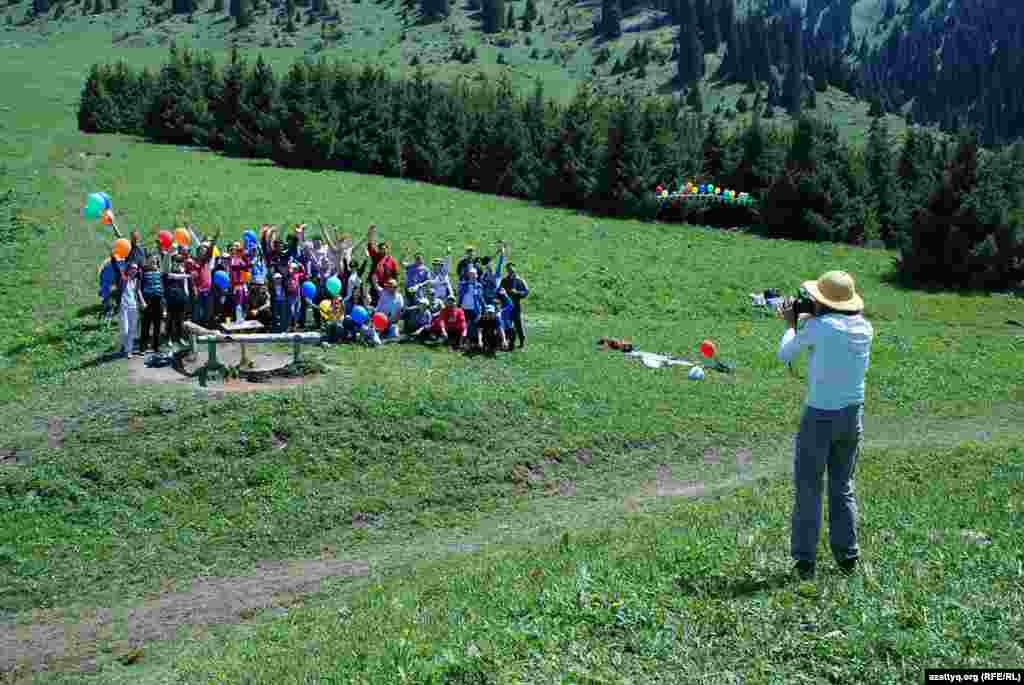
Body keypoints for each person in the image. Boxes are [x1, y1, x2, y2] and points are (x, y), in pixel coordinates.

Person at [777, 271, 874, 580]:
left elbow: (784, 353)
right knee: (842, 486)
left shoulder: (818, 327)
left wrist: (791, 324)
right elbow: (834, 328)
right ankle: (847, 556)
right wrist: (810, 317)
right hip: (852, 415)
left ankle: (805, 561)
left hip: (819, 415)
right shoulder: (864, 328)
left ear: (823, 302)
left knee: (809, 487)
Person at [500, 262, 529, 349]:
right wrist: (502, 294)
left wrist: (517, 293)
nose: (510, 271)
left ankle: (522, 341)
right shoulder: (504, 280)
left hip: (516, 306)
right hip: (506, 306)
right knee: (508, 325)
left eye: (511, 269)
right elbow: (499, 291)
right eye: (508, 269)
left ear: (514, 269)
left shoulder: (520, 280)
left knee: (518, 324)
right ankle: (508, 342)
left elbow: (526, 292)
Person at [164, 257, 191, 348]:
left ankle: (180, 338)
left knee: (180, 320)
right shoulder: (168, 271)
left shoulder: (182, 272)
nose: (178, 264)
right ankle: (168, 339)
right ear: (172, 262)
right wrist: (188, 275)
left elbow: (185, 285)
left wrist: (186, 295)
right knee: (170, 320)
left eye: (180, 262)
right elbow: (174, 276)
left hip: (181, 299)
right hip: (171, 300)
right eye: (177, 262)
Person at [140, 256, 165, 353]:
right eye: (151, 261)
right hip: (147, 300)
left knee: (157, 325)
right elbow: (139, 288)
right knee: (146, 324)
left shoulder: (160, 273)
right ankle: (143, 347)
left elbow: (163, 288)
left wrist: (164, 306)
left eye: (155, 261)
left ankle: (156, 346)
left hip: (158, 300)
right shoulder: (143, 272)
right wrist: (142, 301)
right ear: (147, 262)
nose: (153, 263)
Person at [119, 262, 144, 358]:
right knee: (125, 330)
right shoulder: (124, 279)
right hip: (124, 306)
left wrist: (142, 302)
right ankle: (124, 344)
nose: (134, 270)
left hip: (134, 306)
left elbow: (138, 291)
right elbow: (122, 278)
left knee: (132, 330)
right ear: (128, 270)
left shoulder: (137, 280)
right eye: (132, 268)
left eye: (136, 268)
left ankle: (128, 350)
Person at [458, 267, 485, 349]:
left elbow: (481, 298)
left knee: (476, 326)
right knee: (464, 326)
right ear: (468, 275)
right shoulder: (463, 284)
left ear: (476, 276)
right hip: (464, 309)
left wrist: (484, 307)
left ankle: (474, 343)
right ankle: (462, 343)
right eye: (471, 274)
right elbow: (460, 295)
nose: (472, 276)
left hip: (475, 309)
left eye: (474, 274)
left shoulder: (479, 286)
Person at [98, 251, 119, 324]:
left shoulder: (123, 265)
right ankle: (108, 310)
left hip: (116, 286)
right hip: (108, 287)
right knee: (108, 300)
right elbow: (105, 286)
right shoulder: (108, 268)